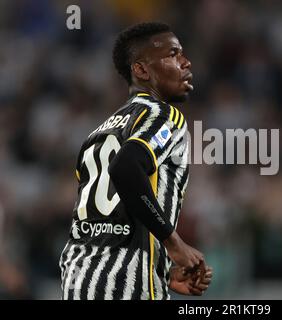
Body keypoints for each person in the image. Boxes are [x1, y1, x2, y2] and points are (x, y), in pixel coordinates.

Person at [59, 22, 212, 300]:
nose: (186, 62)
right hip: (129, 287)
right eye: (173, 54)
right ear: (141, 70)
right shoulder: (165, 115)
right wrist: (173, 242)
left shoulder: (98, 132)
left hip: (78, 280)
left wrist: (161, 272)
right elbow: (127, 167)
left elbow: (108, 219)